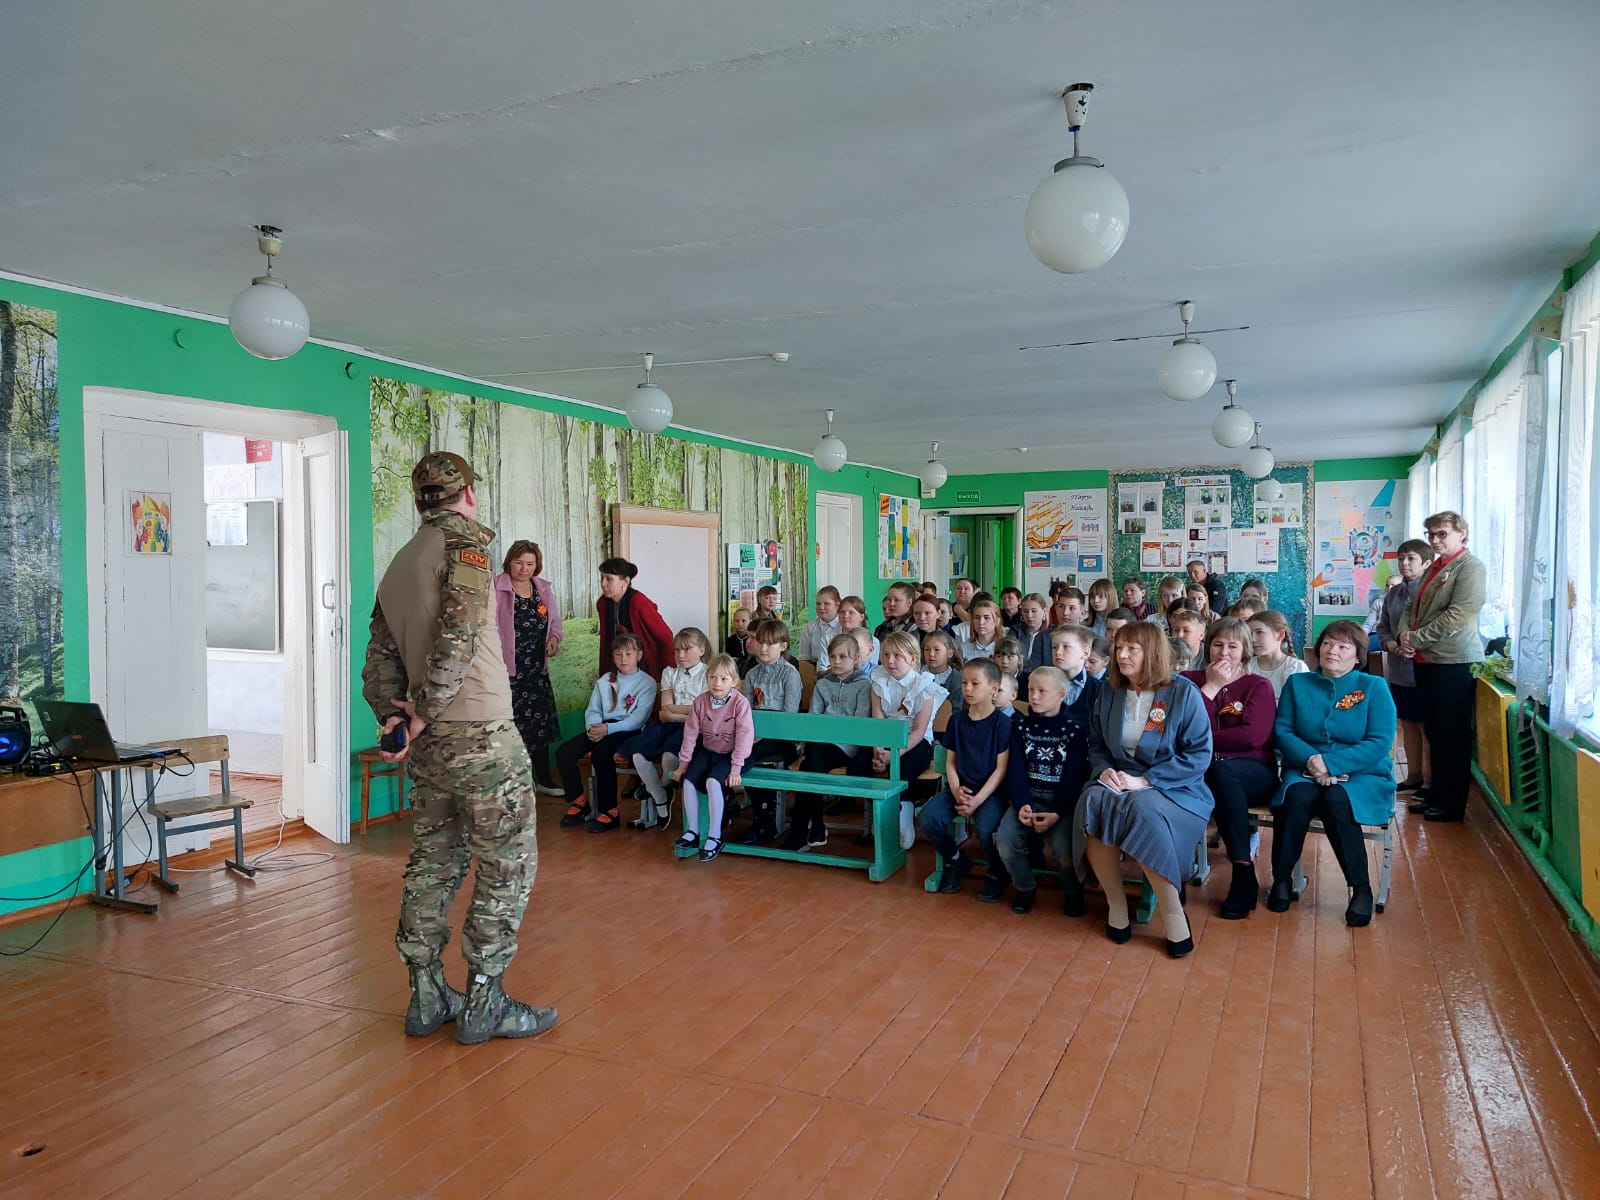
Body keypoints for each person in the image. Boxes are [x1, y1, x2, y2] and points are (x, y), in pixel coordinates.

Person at [362, 450, 555, 1043]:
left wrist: (397, 722)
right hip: (483, 736)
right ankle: (484, 1000)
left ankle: (425, 995)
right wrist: (424, 709)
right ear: (466, 492)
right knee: (506, 863)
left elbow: (379, 661)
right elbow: (461, 638)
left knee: (433, 863)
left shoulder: (398, 563)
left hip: (431, 748)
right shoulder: (465, 551)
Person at [1079, 621, 1214, 958]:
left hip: (1175, 786)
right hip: (1120, 778)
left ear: (1151, 653)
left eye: (1131, 649)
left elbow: (1198, 754)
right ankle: (1116, 904)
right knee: (1093, 800)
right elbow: (1095, 743)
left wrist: (1147, 781)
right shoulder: (1109, 691)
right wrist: (1104, 770)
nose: (1121, 655)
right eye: (1118, 647)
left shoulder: (1182, 692)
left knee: (1143, 809)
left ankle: (1172, 912)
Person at [1268, 620, 1397, 926]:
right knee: (1296, 797)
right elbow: (1282, 731)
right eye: (1327, 643)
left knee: (1338, 801)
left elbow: (1380, 742)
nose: (1333, 651)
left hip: (1362, 773)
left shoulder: (1373, 687)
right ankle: (1282, 879)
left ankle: (1361, 888)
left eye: (1343, 646)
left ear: (1358, 656)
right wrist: (1314, 761)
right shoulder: (1298, 684)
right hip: (1305, 765)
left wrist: (1333, 765)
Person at [1181, 617, 1278, 919]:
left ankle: (1242, 871)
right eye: (1218, 644)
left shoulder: (1257, 686)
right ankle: (1234, 870)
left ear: (1245, 652)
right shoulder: (1189, 681)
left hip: (1254, 772)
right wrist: (1210, 688)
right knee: (1217, 776)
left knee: (1221, 773)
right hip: (1202, 772)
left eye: (1233, 646)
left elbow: (1253, 737)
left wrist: (1205, 741)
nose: (1224, 653)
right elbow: (1181, 730)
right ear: (1207, 647)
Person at [1397, 511, 1487, 823]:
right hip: (1427, 660)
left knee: (1453, 735)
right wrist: (1404, 634)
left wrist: (1415, 638)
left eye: (1442, 533)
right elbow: (1412, 604)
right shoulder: (1435, 566)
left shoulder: (1470, 567)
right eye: (1431, 534)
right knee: (1435, 730)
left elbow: (1458, 616)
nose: (1436, 540)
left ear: (1461, 533)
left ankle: (1452, 804)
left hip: (1454, 661)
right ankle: (1436, 793)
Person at [995, 655, 1101, 916]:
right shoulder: (1019, 727)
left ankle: (1073, 892)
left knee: (1066, 852)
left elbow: (1074, 775)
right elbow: (1016, 769)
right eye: (1031, 690)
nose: (1034, 696)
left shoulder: (1074, 731)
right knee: (1006, 841)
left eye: (1042, 691)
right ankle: (1025, 887)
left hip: (1060, 804)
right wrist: (1022, 804)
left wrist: (1056, 811)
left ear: (1061, 694)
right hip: (1027, 798)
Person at [921, 658, 1012, 898]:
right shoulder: (957, 720)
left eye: (975, 683)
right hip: (960, 788)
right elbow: (951, 761)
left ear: (994, 687)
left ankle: (996, 872)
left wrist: (977, 800)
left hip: (990, 793)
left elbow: (1000, 770)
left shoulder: (1003, 724)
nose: (968, 689)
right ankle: (955, 860)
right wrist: (956, 789)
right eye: (964, 683)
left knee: (986, 827)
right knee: (929, 817)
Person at [557, 633, 657, 833]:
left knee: (602, 754)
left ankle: (609, 811)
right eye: (618, 654)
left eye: (629, 654)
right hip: (601, 727)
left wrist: (607, 729)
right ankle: (579, 801)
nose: (623, 659)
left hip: (628, 730)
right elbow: (593, 709)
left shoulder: (647, 683)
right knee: (564, 752)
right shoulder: (605, 681)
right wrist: (593, 727)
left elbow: (637, 719)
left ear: (639, 655)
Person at [854, 630, 944, 849]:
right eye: (886, 655)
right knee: (858, 765)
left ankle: (903, 809)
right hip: (884, 738)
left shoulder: (925, 686)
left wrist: (892, 754)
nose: (890, 661)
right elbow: (878, 720)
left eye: (897, 656)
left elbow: (919, 730)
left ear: (912, 659)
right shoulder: (878, 680)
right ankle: (878, 809)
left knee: (906, 766)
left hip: (914, 742)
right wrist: (878, 750)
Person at [784, 633, 872, 850]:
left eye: (843, 657)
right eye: (833, 656)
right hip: (821, 745)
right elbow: (814, 717)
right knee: (812, 763)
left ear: (855, 658)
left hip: (847, 746)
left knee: (809, 767)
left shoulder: (864, 685)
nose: (837, 662)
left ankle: (803, 830)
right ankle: (813, 826)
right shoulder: (823, 684)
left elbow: (859, 723)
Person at [618, 627, 709, 830]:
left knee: (670, 758)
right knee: (638, 754)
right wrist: (681, 710)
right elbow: (665, 707)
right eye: (677, 650)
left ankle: (661, 787)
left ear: (702, 650)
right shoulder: (670, 672)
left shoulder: (708, 674)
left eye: (687, 650)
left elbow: (701, 711)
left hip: (693, 728)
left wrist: (676, 713)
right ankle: (661, 798)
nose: (680, 655)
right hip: (667, 725)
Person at [494, 539, 564, 796]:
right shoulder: (496, 587)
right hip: (507, 672)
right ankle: (516, 784)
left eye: (530, 564)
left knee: (539, 726)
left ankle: (544, 779)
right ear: (509, 562)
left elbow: (555, 622)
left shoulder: (542, 589)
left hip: (537, 671)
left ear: (537, 565)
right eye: (519, 563)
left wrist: (554, 639)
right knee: (510, 729)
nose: (524, 568)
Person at [673, 654, 754, 863]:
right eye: (712, 677)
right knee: (689, 780)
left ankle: (715, 836)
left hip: (734, 755)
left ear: (734, 681)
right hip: (709, 751)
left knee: (712, 781)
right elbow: (690, 735)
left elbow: (745, 736)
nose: (717, 683)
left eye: (724, 679)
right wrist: (683, 765)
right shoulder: (700, 702)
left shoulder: (740, 703)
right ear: (706, 678)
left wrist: (736, 768)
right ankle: (692, 831)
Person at [738, 619, 803, 844]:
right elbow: (744, 709)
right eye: (760, 643)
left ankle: (764, 820)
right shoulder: (753, 674)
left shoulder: (790, 674)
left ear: (783, 646)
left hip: (781, 738)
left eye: (770, 644)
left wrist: (761, 734)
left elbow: (789, 716)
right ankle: (747, 810)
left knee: (747, 757)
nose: (763, 648)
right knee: (733, 752)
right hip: (754, 735)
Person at [1377, 538, 1433, 801]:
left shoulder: (1432, 592)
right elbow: (1384, 627)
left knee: (1427, 726)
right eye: (1401, 558)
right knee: (1408, 723)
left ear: (1427, 563)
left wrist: (1415, 645)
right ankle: (1413, 777)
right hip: (1400, 669)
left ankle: (1430, 781)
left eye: (1411, 558)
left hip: (1426, 668)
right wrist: (1391, 645)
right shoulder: (1394, 594)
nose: (1404, 563)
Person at [596, 557, 673, 679]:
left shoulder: (639, 603)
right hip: (619, 667)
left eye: (609, 579)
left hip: (646, 670)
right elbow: (606, 642)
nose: (603, 584)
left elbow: (666, 638)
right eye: (602, 578)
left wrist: (664, 676)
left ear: (625, 581)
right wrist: (604, 674)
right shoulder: (603, 604)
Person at [1247, 610, 1309, 698]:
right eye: (1249, 634)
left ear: (1280, 635)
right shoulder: (1247, 666)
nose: (1252, 639)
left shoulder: (1296, 668)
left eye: (1259, 632)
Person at [797, 586, 843, 664]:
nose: (821, 607)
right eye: (818, 604)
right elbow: (804, 659)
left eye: (826, 604)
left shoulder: (843, 626)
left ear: (837, 604)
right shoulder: (809, 628)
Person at [922, 630, 964, 716]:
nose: (931, 654)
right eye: (927, 649)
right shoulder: (917, 676)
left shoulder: (957, 681)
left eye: (937, 650)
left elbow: (956, 712)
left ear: (949, 653)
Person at [1013, 593, 1052, 672]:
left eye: (1034, 611)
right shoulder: (1015, 631)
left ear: (1044, 611)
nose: (1029, 615)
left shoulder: (1052, 633)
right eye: (1025, 611)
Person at [839, 596, 879, 671]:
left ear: (861, 617)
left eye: (851, 613)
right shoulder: (830, 638)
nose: (845, 616)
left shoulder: (874, 642)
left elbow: (871, 668)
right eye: (842, 612)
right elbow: (823, 666)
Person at [1167, 607, 1207, 672]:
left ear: (1201, 635)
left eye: (1186, 631)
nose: (1180, 635)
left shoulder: (1209, 656)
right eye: (1176, 630)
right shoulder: (1163, 652)